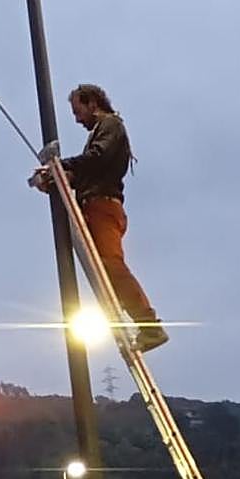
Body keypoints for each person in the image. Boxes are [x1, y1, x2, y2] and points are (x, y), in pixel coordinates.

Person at [32, 83, 168, 353]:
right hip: (94, 205)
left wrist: (61, 166)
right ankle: (138, 320)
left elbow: (98, 158)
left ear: (92, 103)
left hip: (103, 206)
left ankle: (149, 325)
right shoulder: (101, 132)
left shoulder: (111, 126)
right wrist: (59, 178)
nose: (77, 119)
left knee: (110, 265)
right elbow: (92, 170)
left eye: (78, 111)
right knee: (105, 269)